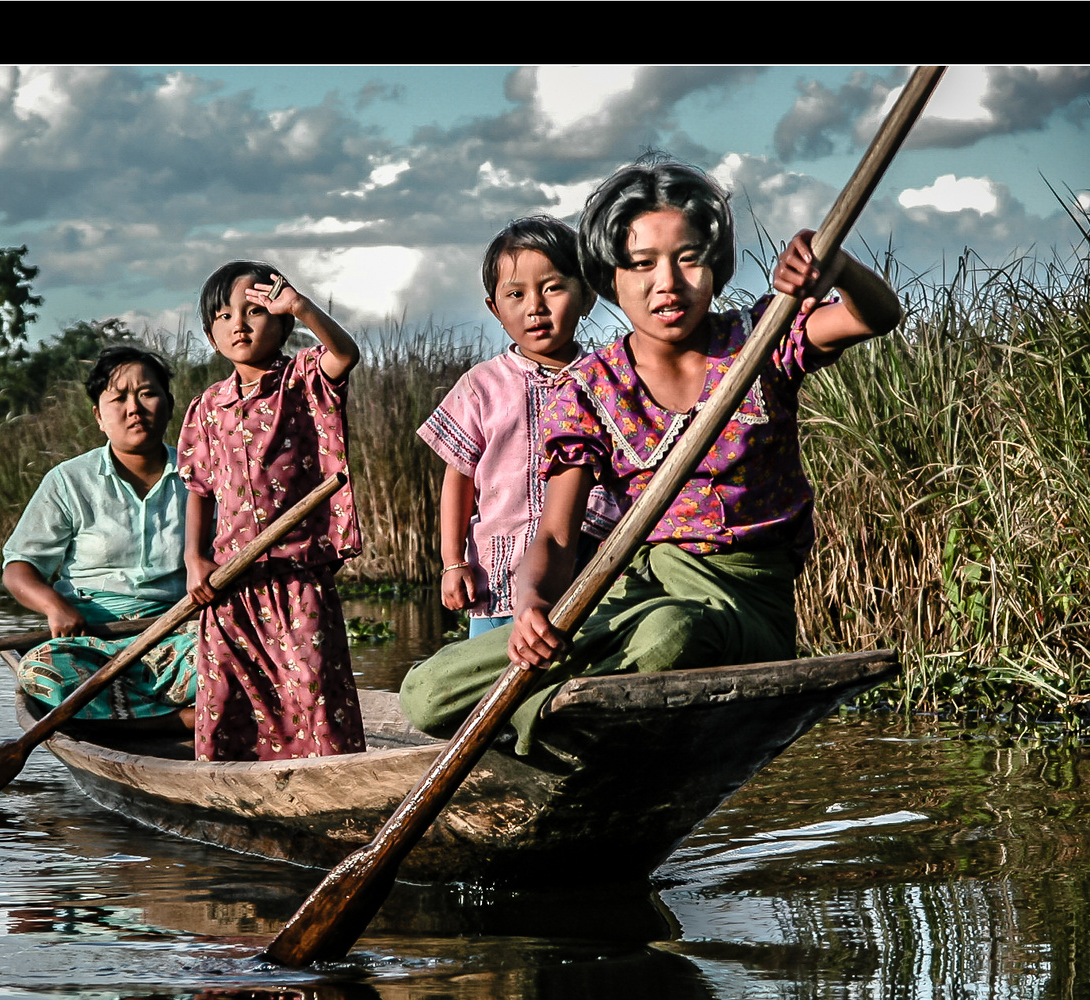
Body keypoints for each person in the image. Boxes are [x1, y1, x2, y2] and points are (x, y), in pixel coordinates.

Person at [400, 156, 901, 754]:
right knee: (428, 693)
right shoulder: (589, 387)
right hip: (632, 590)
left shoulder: (761, 339)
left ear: (715, 268)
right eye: (641, 264)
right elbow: (558, 538)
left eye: (689, 258)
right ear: (610, 279)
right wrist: (532, 603)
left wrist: (836, 265)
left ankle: (536, 719)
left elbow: (877, 315)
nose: (667, 283)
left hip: (739, 601)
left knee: (671, 635)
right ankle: (560, 704)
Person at [178, 261, 365, 762]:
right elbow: (199, 488)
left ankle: (326, 780)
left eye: (255, 311)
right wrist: (195, 560)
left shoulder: (301, 380)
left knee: (311, 686)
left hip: (295, 573)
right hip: (229, 581)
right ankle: (228, 786)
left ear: (281, 325)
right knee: (229, 694)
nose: (238, 324)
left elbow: (345, 353)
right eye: (222, 316)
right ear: (211, 334)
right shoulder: (206, 407)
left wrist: (300, 306)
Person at [418, 216, 621, 638]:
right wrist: (452, 562)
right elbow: (460, 479)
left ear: (587, 296)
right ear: (495, 308)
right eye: (516, 294)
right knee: (488, 684)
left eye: (552, 288)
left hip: (594, 576)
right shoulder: (481, 387)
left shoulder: (611, 381)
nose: (535, 307)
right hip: (496, 579)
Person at [2, 345, 197, 727]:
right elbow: (19, 567)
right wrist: (55, 607)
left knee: (235, 651)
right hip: (92, 641)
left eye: (146, 393)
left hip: (177, 636)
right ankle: (184, 720)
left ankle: (121, 717)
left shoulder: (201, 476)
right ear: (99, 417)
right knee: (40, 670)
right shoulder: (68, 481)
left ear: (170, 405)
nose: (134, 408)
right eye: (118, 398)